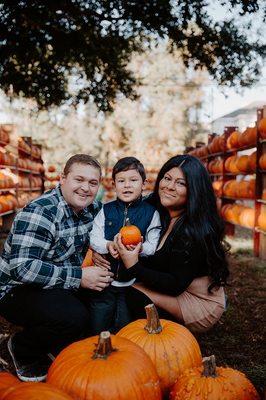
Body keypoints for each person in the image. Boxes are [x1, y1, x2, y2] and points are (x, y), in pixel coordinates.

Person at [0, 154, 113, 382]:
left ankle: (60, 342)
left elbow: (122, 212)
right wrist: (79, 276)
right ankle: (23, 348)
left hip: (56, 285)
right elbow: (22, 268)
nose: (85, 188)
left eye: (92, 183)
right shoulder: (41, 212)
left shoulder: (92, 210)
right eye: (78, 179)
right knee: (72, 316)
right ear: (62, 179)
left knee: (103, 300)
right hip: (16, 290)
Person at [94, 154, 229, 332]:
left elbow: (174, 285)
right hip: (172, 285)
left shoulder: (193, 231)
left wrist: (133, 265)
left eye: (181, 183)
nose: (169, 187)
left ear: (194, 190)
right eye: (167, 178)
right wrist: (99, 250)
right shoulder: (155, 207)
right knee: (108, 288)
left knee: (131, 293)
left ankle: (144, 340)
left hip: (196, 300)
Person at [88, 157, 161, 334]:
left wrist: (141, 249)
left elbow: (153, 244)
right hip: (105, 281)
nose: (127, 185)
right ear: (114, 184)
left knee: (125, 326)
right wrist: (108, 245)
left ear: (144, 183)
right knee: (98, 323)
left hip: (132, 284)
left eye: (133, 180)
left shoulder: (151, 213)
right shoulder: (106, 210)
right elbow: (93, 237)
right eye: (121, 181)